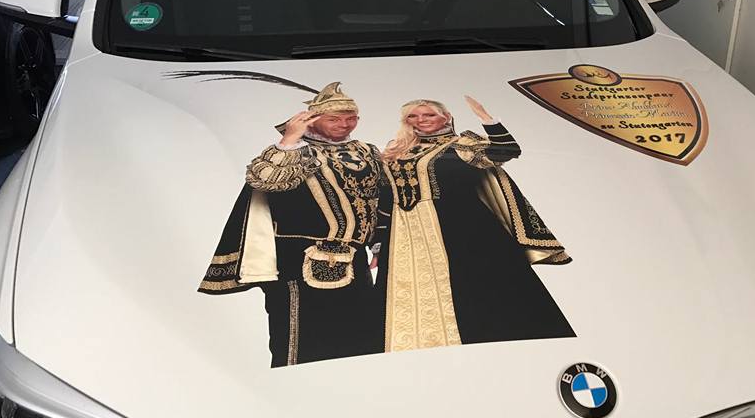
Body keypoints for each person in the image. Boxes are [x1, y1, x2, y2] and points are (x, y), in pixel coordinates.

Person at [199, 83, 385, 367]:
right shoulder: (296, 151)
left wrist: (379, 243)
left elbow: (381, 197)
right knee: (303, 338)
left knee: (359, 334)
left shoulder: (367, 151)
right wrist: (290, 138)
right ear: (312, 119)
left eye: (351, 118)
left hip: (355, 259)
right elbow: (264, 181)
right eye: (334, 119)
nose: (344, 125)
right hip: (297, 260)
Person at [377, 96, 575, 353]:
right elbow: (385, 194)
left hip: (463, 229)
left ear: (446, 117)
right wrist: (379, 240)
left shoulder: (462, 144)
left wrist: (486, 118)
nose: (421, 120)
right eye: (413, 116)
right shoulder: (397, 149)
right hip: (404, 234)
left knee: (478, 289)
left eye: (429, 114)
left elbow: (506, 151)